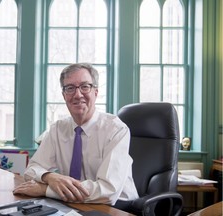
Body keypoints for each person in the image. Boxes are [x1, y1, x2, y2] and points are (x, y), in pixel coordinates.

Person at [13, 63, 138, 205]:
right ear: (64, 95)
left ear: (95, 92)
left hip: (118, 207)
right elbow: (31, 170)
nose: (78, 95)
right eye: (70, 88)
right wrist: (50, 177)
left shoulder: (116, 130)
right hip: (72, 202)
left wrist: (46, 189)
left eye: (85, 86)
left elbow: (107, 191)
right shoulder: (57, 129)